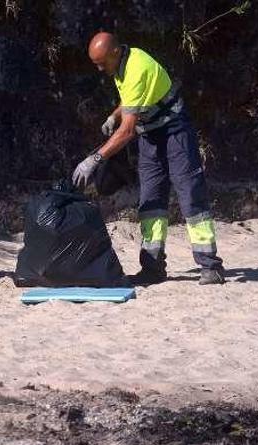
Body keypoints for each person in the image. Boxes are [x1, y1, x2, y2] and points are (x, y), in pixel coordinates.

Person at [72, 32, 225, 285]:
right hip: (150, 136)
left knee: (190, 195)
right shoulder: (122, 65)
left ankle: (211, 267)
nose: (99, 69)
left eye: (101, 62)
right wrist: (114, 115)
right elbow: (132, 98)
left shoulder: (138, 66)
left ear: (114, 52)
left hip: (175, 132)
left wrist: (94, 159)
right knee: (151, 201)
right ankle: (153, 269)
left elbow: (127, 131)